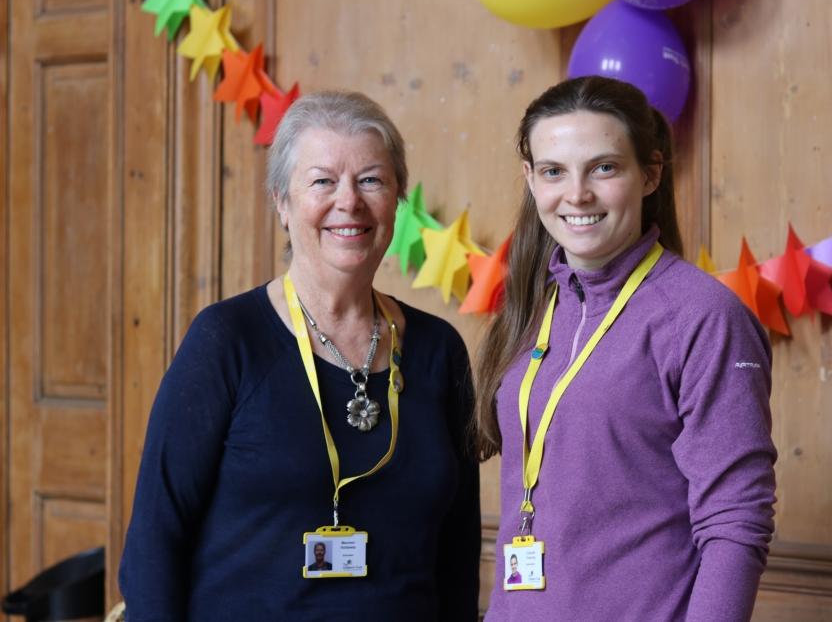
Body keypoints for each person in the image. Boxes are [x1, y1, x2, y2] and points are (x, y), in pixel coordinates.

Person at [120, 91, 481, 620]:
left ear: (397, 201)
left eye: (371, 180)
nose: (349, 201)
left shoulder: (439, 348)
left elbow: (457, 549)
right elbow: (156, 539)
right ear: (282, 204)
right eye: (322, 181)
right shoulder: (227, 339)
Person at [476, 76, 777, 621]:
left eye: (604, 167)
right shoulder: (532, 308)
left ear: (650, 175)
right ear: (531, 179)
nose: (577, 194)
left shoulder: (704, 316)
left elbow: (737, 521)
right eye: (554, 172)